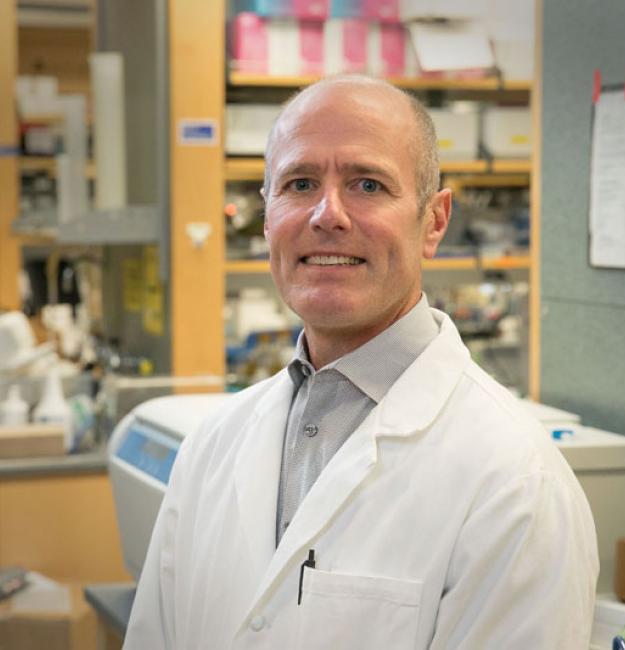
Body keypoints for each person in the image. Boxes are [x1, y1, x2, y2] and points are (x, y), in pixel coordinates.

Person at [124, 75, 598, 649]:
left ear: (435, 221)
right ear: (268, 214)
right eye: (299, 183)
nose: (328, 215)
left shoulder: (517, 482)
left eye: (368, 185)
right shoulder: (211, 445)